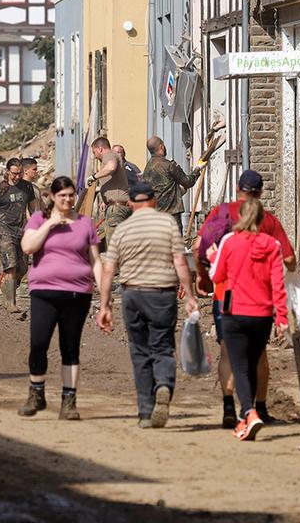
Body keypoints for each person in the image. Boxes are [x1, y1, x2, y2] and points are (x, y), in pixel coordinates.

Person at [196, 170, 295, 427]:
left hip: (226, 298)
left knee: (228, 353)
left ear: (237, 188)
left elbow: (199, 248)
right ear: (260, 193)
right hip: (261, 301)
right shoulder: (269, 221)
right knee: (259, 354)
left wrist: (202, 278)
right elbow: (289, 260)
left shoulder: (221, 213)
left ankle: (230, 409)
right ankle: (258, 409)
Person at [97, 183, 199, 429]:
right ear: (153, 200)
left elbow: (109, 268)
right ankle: (163, 384)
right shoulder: (167, 223)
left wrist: (105, 304)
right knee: (162, 346)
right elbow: (180, 261)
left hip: (133, 295)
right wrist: (190, 295)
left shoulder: (122, 229)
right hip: (162, 294)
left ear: (130, 203)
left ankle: (145, 411)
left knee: (140, 351)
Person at [16, 177, 103, 421]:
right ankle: (36, 393)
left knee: (70, 347)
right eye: (62, 195)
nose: (67, 199)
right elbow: (28, 247)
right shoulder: (39, 219)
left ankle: (69, 400)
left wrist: (105, 295)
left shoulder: (85, 223)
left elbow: (95, 260)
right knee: (39, 343)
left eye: (70, 195)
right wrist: (50, 224)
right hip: (43, 291)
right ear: (53, 196)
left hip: (77, 293)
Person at [210, 199, 288, 441]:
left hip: (235, 312)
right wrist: (282, 316)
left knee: (240, 366)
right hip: (263, 315)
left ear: (240, 217)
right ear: (261, 218)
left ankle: (249, 412)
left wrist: (213, 257)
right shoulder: (272, 245)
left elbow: (217, 275)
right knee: (253, 363)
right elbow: (278, 282)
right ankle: (246, 420)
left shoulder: (230, 242)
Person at [0, 158, 35, 312]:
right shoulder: (0, 189)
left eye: (19, 173)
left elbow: (33, 210)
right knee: (10, 266)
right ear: (7, 172)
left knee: (23, 268)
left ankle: (7, 288)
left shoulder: (27, 187)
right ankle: (11, 303)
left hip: (22, 231)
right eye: (14, 173)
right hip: (5, 232)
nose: (17, 177)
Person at [143, 136, 203, 233]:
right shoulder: (169, 165)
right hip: (171, 215)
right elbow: (187, 182)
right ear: (161, 147)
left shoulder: (147, 168)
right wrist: (198, 169)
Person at [86, 137, 130, 240]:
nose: (95, 156)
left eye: (94, 152)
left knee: (114, 246)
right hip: (117, 206)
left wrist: (94, 177)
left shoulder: (109, 155)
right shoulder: (111, 156)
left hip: (117, 209)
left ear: (100, 149)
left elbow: (111, 167)